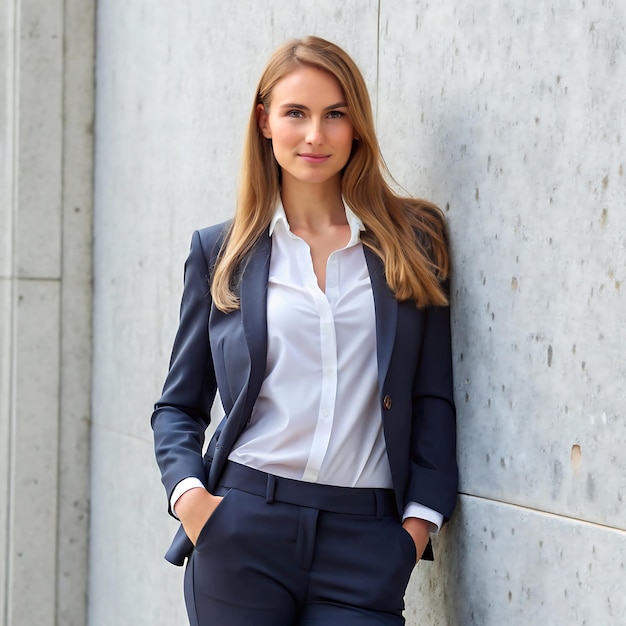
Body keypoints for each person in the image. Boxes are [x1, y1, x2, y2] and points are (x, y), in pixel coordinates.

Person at [151, 35, 457, 626]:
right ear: (265, 121)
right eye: (296, 113)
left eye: (335, 114)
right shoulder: (223, 252)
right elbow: (178, 405)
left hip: (366, 542)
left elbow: (433, 398)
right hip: (242, 530)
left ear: (357, 126)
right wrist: (193, 502)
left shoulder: (412, 243)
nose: (315, 135)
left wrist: (416, 530)